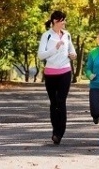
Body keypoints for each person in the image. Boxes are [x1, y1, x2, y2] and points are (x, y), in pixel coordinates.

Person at [37, 10, 77, 145]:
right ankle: (55, 131)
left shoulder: (67, 35)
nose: (64, 22)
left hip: (65, 71)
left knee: (61, 101)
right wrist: (55, 48)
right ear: (55, 21)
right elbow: (41, 55)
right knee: (54, 103)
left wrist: (73, 55)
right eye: (62, 20)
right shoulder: (46, 36)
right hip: (50, 73)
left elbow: (72, 51)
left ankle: (60, 133)